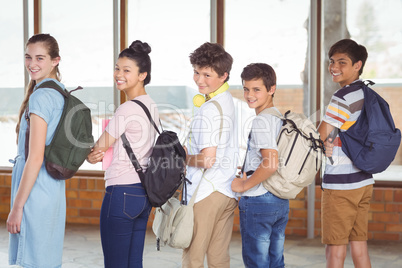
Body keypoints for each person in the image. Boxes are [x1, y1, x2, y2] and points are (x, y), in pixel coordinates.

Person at [86, 40, 159, 268]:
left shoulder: (126, 109)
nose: (119, 74)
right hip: (143, 194)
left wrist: (90, 155)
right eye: (117, 68)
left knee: (115, 263)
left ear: (142, 75)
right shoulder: (151, 106)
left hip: (120, 193)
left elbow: (97, 150)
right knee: (133, 262)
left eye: (127, 70)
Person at [7, 33, 66, 267]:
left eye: (40, 58)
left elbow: (35, 158)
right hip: (51, 190)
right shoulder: (59, 92)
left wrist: (17, 207)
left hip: (34, 193)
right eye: (28, 57)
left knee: (32, 261)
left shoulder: (40, 97)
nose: (32, 64)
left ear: (55, 61)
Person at [317, 39, 373, 268]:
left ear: (357, 65)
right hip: (364, 181)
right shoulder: (366, 94)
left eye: (342, 62)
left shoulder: (342, 97)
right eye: (332, 61)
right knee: (359, 248)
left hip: (340, 186)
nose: (334, 67)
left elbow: (317, 136)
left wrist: (323, 142)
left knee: (335, 251)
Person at [182, 42, 238, 268]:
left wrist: (183, 158)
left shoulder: (208, 109)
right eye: (196, 72)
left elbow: (206, 159)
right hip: (226, 190)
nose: (199, 80)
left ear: (224, 76)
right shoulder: (228, 101)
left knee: (193, 257)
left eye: (207, 74)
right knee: (218, 258)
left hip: (205, 193)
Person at [232, 63, 289, 268]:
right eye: (246, 88)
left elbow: (270, 162)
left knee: (257, 262)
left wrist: (244, 186)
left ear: (271, 89)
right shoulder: (278, 117)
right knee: (275, 261)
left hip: (258, 200)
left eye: (257, 89)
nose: (249, 95)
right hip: (279, 200)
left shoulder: (262, 121)